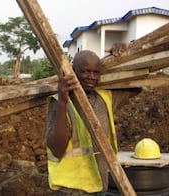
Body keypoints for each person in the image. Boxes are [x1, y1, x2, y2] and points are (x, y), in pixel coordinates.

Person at [46, 49, 140, 195]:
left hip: (100, 185)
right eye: (85, 72)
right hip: (71, 190)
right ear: (73, 71)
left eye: (96, 72)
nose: (91, 77)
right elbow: (57, 150)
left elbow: (136, 84)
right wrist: (63, 103)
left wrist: (123, 54)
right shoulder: (60, 102)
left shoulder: (105, 98)